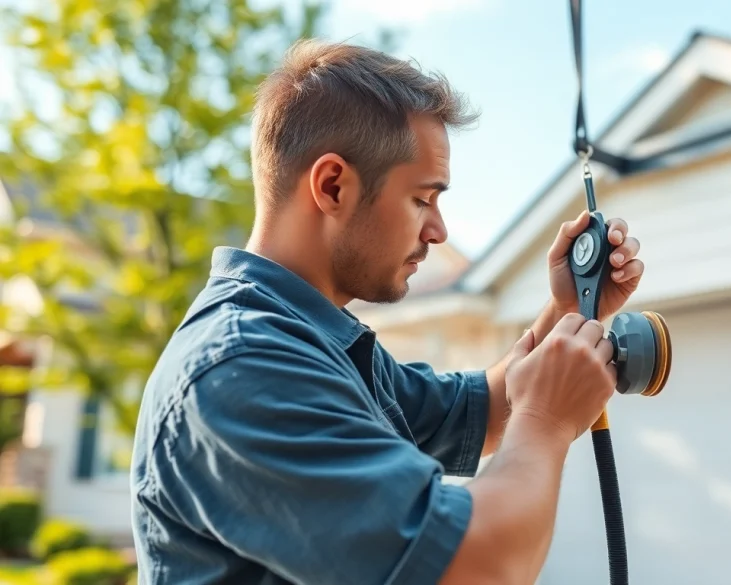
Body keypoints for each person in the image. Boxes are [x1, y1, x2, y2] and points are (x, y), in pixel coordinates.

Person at [130, 38, 645, 585]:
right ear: (333, 186)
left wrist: (569, 305)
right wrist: (547, 423)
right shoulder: (244, 367)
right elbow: (476, 567)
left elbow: (482, 411)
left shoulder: (315, 341)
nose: (439, 230)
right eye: (423, 199)